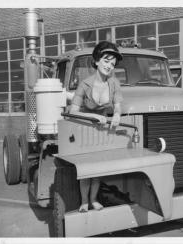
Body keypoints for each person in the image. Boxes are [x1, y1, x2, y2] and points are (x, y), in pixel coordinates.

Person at [69, 41, 123, 212]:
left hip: (102, 131)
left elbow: (118, 105)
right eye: (106, 61)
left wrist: (116, 114)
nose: (109, 66)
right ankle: (84, 201)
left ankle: (93, 200)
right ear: (97, 61)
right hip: (84, 129)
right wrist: (92, 116)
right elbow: (72, 112)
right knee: (86, 170)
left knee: (99, 169)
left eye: (113, 63)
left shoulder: (114, 83)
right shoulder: (85, 84)